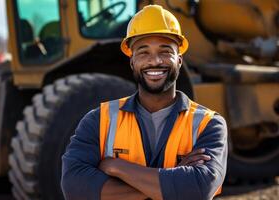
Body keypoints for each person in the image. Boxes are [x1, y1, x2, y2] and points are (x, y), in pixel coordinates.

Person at [61, 5, 227, 200]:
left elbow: (199, 188)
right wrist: (173, 180)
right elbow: (74, 186)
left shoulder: (208, 124)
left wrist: (116, 166)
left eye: (165, 51)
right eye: (143, 52)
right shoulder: (99, 120)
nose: (154, 60)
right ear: (132, 62)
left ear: (179, 60)